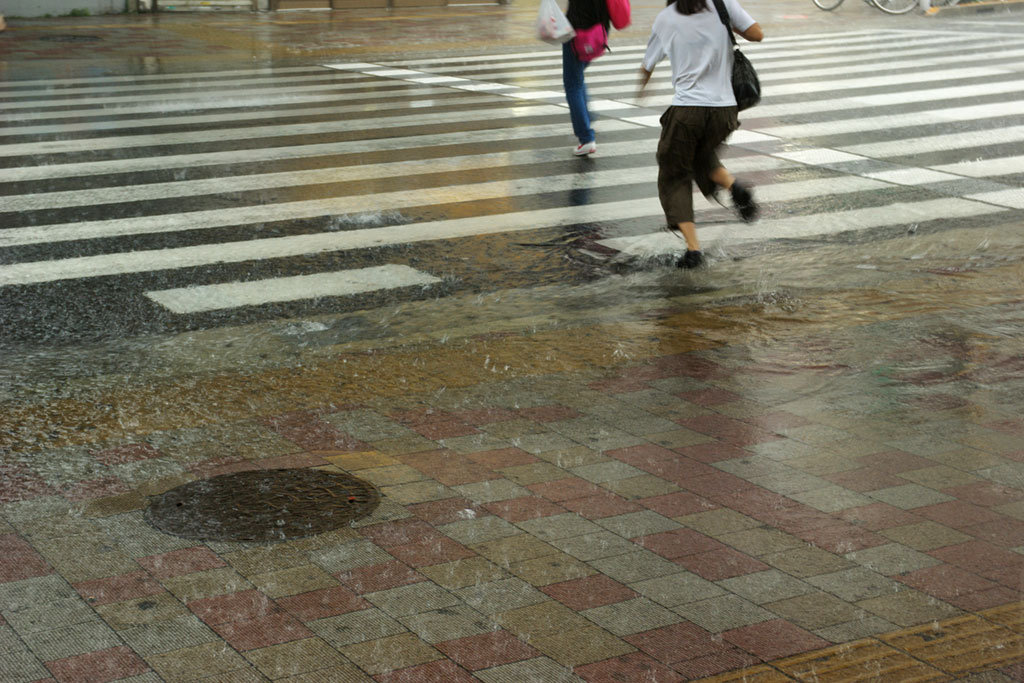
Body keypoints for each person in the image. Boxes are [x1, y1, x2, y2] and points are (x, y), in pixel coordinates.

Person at [637, 0, 763, 268]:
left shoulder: (666, 18)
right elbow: (757, 34)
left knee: (674, 172)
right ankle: (734, 186)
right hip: (725, 111)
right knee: (698, 156)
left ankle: (693, 250)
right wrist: (726, 25)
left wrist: (640, 90)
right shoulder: (722, 4)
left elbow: (648, 64)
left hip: (687, 111)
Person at [564, 0, 610, 156]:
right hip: (599, 31)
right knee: (577, 78)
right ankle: (587, 117)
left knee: (572, 84)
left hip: (579, 33)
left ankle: (586, 138)